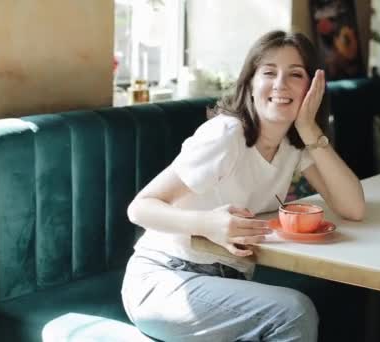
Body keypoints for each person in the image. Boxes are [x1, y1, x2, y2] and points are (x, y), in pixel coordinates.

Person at [121, 30, 365, 342]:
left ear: (311, 89)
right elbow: (140, 208)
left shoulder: (294, 146)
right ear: (250, 84)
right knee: (294, 312)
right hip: (164, 279)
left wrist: (307, 126)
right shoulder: (226, 135)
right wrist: (206, 224)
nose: (280, 84)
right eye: (269, 72)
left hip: (227, 283)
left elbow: (352, 207)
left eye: (295, 74)